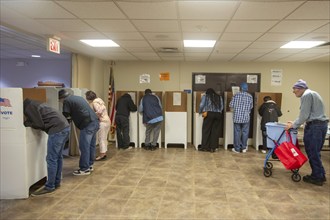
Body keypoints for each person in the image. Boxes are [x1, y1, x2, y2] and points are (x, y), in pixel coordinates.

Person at [285, 79, 328, 186]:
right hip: (320, 125)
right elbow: (310, 114)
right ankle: (320, 174)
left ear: (300, 89)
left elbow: (304, 115)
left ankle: (317, 177)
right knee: (316, 152)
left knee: (312, 151)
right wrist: (295, 122)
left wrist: (293, 125)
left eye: (294, 89)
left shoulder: (306, 95)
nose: (293, 92)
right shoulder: (314, 93)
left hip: (315, 127)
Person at [23, 98, 70, 196]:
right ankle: (56, 182)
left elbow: (38, 124)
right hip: (65, 127)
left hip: (57, 130)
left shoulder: (28, 107)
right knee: (58, 157)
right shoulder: (36, 103)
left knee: (51, 159)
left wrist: (27, 123)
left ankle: (50, 186)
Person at [58, 89, 99, 176]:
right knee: (91, 145)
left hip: (87, 124)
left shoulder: (66, 101)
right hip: (95, 122)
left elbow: (66, 115)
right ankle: (90, 165)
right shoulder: (78, 98)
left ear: (62, 98)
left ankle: (84, 169)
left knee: (84, 146)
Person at [85, 90, 111, 161]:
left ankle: (102, 155)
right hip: (107, 121)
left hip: (103, 122)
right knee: (104, 138)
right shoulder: (99, 100)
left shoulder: (95, 102)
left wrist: (94, 115)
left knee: (101, 138)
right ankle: (104, 153)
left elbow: (100, 110)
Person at [229, 82, 253, 153]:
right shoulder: (250, 96)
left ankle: (237, 148)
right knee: (245, 133)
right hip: (246, 118)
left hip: (237, 117)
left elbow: (231, 105)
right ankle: (244, 148)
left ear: (240, 88)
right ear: (247, 88)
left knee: (237, 132)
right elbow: (251, 107)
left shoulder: (236, 95)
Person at [199, 88, 223, 153]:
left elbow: (201, 105)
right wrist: (218, 112)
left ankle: (205, 147)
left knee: (206, 130)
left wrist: (200, 112)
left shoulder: (205, 96)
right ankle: (213, 148)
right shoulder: (219, 97)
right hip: (218, 115)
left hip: (209, 114)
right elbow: (222, 107)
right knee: (215, 131)